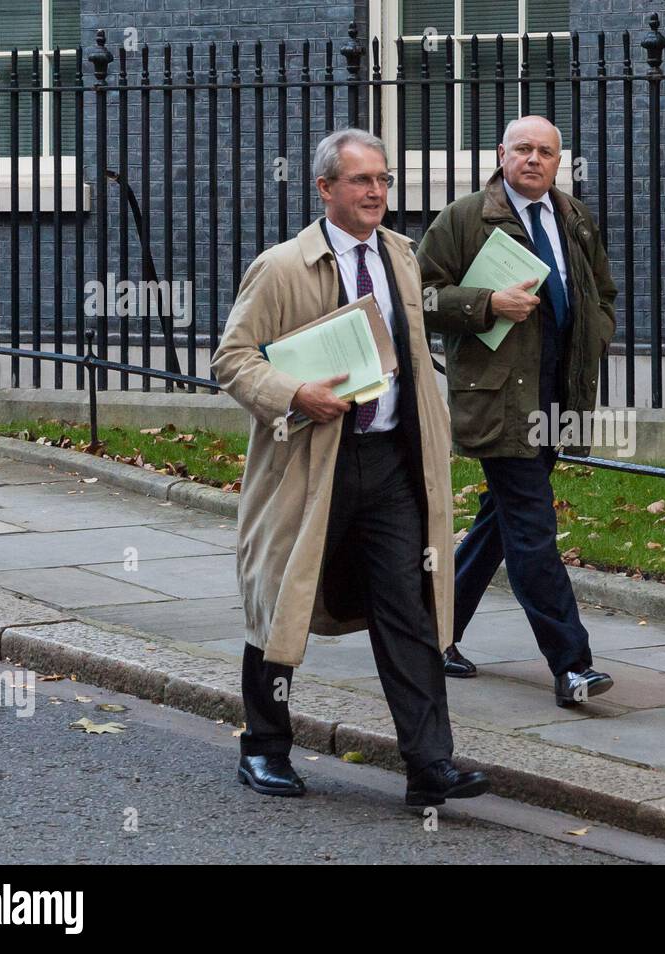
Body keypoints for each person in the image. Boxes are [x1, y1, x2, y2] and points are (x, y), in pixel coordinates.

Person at [211, 128, 488, 806]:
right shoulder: (281, 267)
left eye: (383, 180)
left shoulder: (402, 254)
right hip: (312, 466)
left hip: (390, 464)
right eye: (361, 180)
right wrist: (294, 394)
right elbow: (231, 360)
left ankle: (430, 766)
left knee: (409, 612)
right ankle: (265, 749)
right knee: (281, 605)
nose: (376, 192)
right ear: (325, 189)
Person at [417, 115, 618, 708]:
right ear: (502, 154)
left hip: (561, 394)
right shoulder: (463, 219)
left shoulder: (574, 217)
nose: (534, 159)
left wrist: (595, 337)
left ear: (560, 162)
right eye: (523, 149)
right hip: (501, 399)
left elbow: (603, 294)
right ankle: (572, 665)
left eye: (547, 152)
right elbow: (421, 297)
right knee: (533, 530)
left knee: (500, 521)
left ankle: (430, 633)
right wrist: (486, 303)